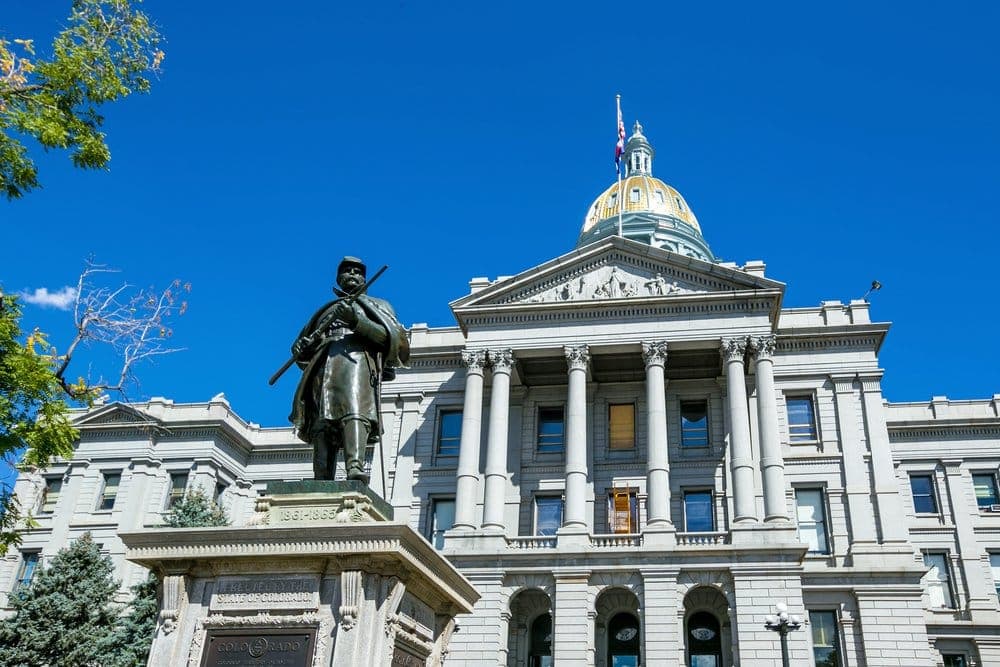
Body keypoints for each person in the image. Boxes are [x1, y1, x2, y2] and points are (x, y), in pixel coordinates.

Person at [288, 257, 409, 483]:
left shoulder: (379, 306)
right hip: (322, 367)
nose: (352, 274)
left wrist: (356, 321)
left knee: (354, 412)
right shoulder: (324, 311)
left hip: (355, 362)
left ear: (364, 278)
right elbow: (302, 351)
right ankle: (321, 476)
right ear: (338, 278)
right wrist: (300, 347)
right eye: (347, 271)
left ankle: (355, 466)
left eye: (357, 271)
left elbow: (392, 341)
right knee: (322, 420)